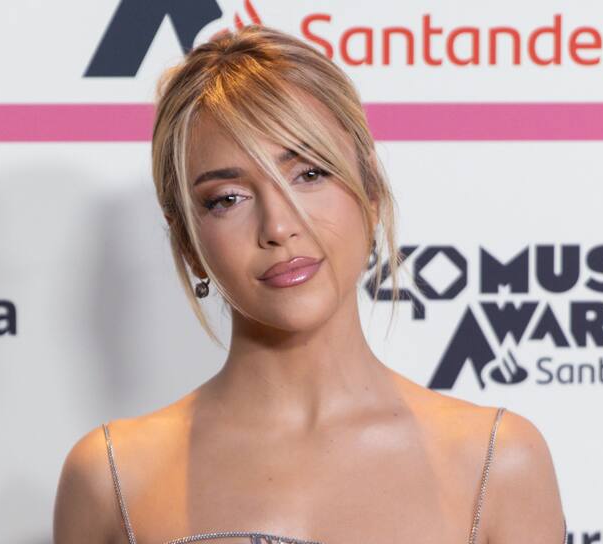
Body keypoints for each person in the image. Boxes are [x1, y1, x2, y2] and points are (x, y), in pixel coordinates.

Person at [54, 24, 565, 544]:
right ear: (188, 241)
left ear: (371, 191)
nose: (278, 226)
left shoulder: (496, 463)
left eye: (310, 173)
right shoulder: (110, 478)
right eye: (228, 198)